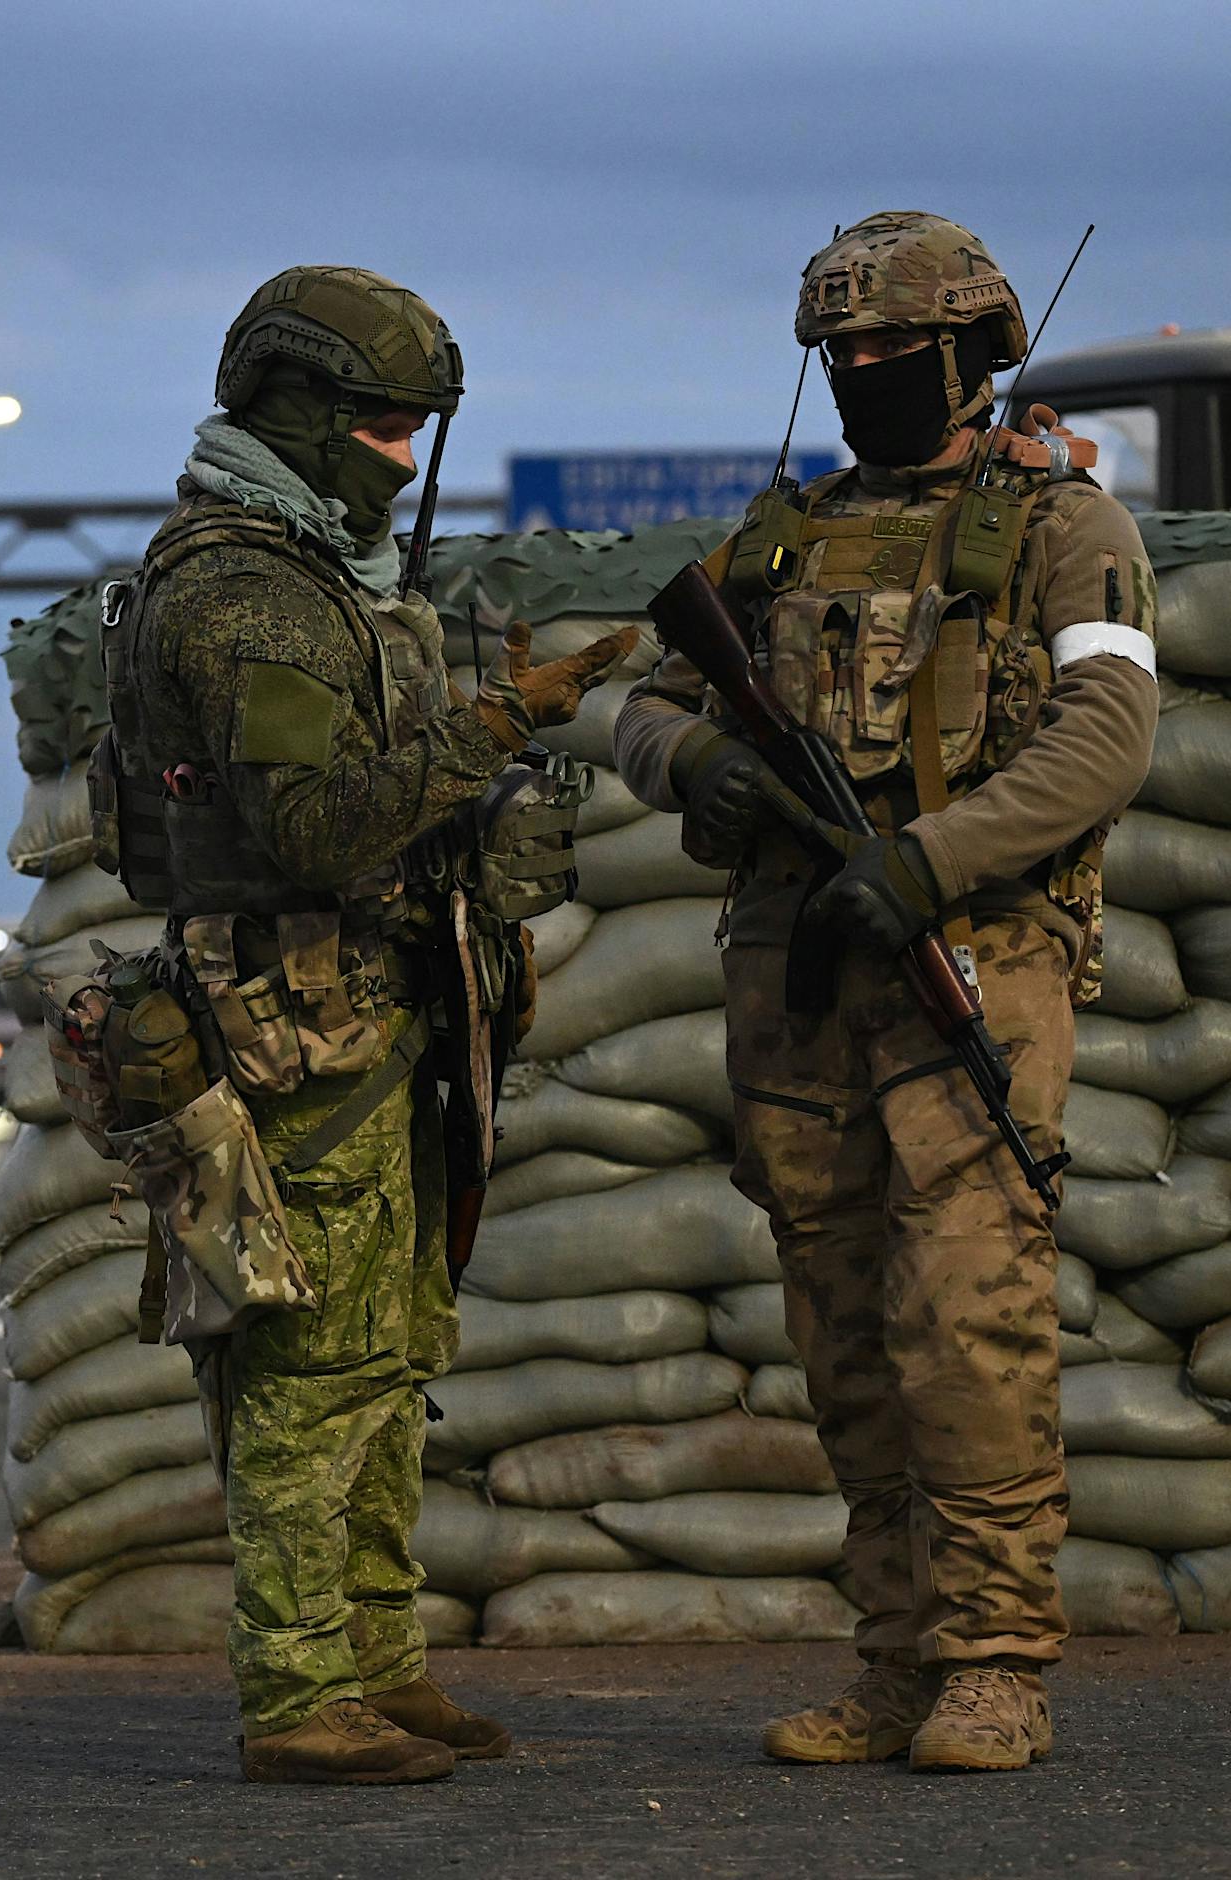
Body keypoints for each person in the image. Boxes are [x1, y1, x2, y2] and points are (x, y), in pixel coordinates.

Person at [613, 213, 1158, 1773]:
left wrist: (934, 860)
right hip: (797, 973)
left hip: (967, 964)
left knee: (964, 1318)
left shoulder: (1062, 527)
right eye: (840, 358)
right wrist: (701, 765)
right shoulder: (780, 539)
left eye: (892, 355)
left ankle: (995, 1662)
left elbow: (1107, 738)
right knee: (843, 1323)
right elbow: (647, 709)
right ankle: (899, 1656)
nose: (863, 378)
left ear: (972, 351)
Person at [96, 265, 632, 1783]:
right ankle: (294, 1691)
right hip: (290, 1028)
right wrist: (493, 725)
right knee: (308, 1366)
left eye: (418, 431)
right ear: (296, 414)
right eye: (382, 428)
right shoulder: (247, 594)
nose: (403, 459)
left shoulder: (319, 575)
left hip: (373, 1012)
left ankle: (381, 1663)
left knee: (393, 1355)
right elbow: (322, 829)